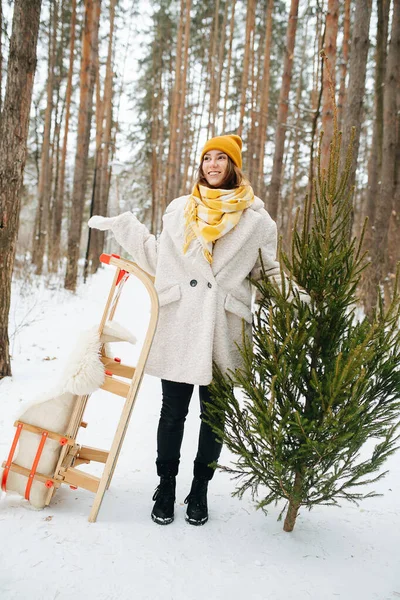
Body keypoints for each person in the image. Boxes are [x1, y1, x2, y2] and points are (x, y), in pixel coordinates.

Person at [88, 134, 309, 526]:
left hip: (222, 326)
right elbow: (159, 257)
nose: (212, 164)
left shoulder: (258, 222)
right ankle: (167, 486)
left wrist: (301, 300)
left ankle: (200, 491)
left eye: (221, 158)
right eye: (207, 157)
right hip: (181, 323)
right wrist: (127, 227)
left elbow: (268, 273)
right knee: (172, 413)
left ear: (233, 166)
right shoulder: (179, 211)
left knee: (214, 416)